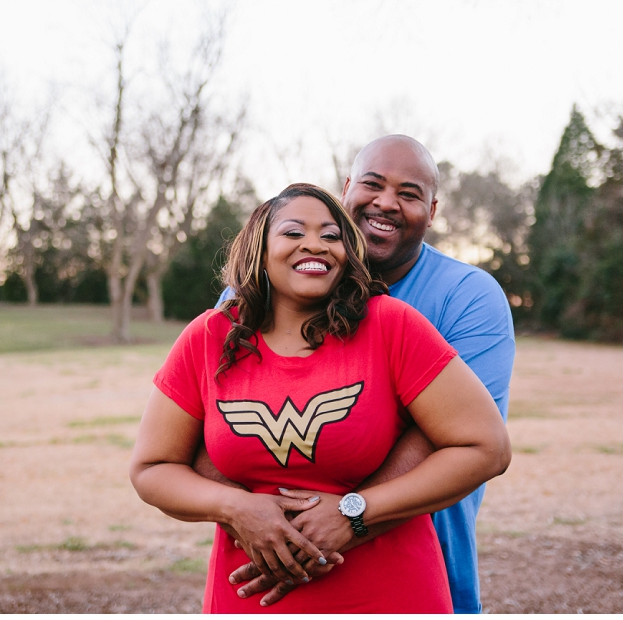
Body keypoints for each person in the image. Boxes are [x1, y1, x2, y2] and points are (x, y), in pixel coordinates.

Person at [129, 183, 511, 613]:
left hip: (389, 592)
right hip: (251, 595)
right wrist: (237, 508)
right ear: (259, 248)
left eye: (332, 236)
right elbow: (152, 467)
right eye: (293, 232)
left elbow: (486, 447)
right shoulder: (209, 336)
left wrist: (356, 513)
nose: (315, 244)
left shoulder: (393, 326)